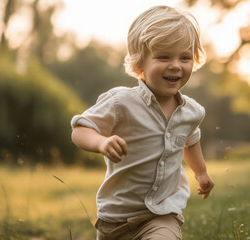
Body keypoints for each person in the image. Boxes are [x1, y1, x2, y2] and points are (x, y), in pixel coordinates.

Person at [71, 5, 214, 240]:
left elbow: (190, 139)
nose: (176, 65)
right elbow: (80, 129)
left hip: (162, 215)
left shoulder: (191, 111)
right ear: (140, 63)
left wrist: (201, 173)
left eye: (185, 57)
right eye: (164, 56)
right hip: (115, 218)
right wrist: (101, 143)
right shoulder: (121, 102)